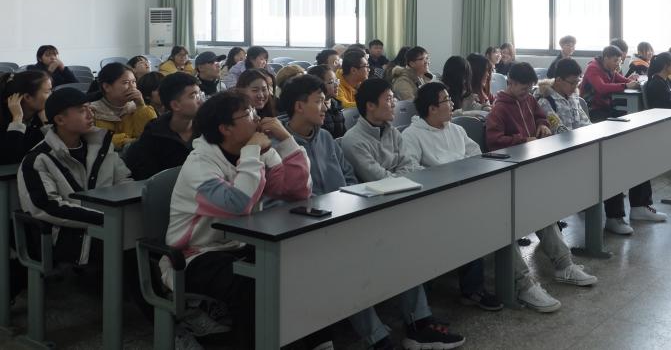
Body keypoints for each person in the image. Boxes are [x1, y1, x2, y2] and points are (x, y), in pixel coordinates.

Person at [278, 76, 465, 349]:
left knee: (400, 245)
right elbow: (279, 199)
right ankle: (378, 338)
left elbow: (349, 179)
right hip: (305, 229)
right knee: (348, 266)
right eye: (319, 101)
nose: (326, 106)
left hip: (343, 217)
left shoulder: (326, 138)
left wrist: (343, 203)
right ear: (298, 106)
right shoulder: (278, 146)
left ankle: (418, 324)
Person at [165, 90, 310, 350]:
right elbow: (238, 205)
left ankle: (310, 341)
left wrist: (287, 140)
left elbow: (296, 191)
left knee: (296, 266)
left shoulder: (256, 152)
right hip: (195, 255)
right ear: (225, 128)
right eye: (248, 114)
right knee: (255, 284)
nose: (257, 118)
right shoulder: (199, 165)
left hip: (240, 245)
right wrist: (252, 152)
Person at [484, 63, 598, 309]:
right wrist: (523, 139)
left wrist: (543, 124)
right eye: (523, 89)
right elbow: (494, 141)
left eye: (529, 89)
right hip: (509, 173)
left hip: (531, 169)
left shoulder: (528, 100)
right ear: (510, 83)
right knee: (516, 220)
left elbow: (539, 116)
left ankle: (564, 265)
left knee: (544, 213)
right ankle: (524, 284)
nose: (527, 94)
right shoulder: (499, 108)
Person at [402, 83, 506, 311]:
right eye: (446, 100)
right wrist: (448, 175)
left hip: (464, 192)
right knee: (469, 221)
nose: (451, 104)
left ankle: (475, 287)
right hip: (434, 199)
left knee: (494, 213)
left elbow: (475, 154)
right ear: (432, 108)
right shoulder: (412, 135)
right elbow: (411, 170)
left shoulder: (455, 129)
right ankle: (470, 289)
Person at [19, 87, 133, 266]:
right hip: (68, 235)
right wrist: (106, 218)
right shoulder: (39, 159)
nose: (90, 114)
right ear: (60, 120)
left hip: (108, 225)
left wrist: (125, 215)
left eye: (89, 108)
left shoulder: (101, 146)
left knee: (142, 242)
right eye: (81, 110)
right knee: (128, 255)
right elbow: (47, 206)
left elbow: (124, 181)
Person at [124, 72, 202, 180]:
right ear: (175, 105)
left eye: (200, 94)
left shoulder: (208, 128)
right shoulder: (154, 135)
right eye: (193, 96)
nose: (200, 101)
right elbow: (148, 179)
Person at [340, 78, 417, 181]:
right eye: (388, 99)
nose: (394, 104)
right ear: (370, 105)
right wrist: (402, 179)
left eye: (393, 98)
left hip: (406, 186)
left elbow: (409, 165)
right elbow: (378, 178)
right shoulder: (353, 141)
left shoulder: (393, 132)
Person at [89, 62, 156, 149]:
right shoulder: (92, 111)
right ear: (107, 87)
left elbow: (152, 133)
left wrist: (141, 106)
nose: (132, 87)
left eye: (134, 82)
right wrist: (129, 142)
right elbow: (97, 140)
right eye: (126, 83)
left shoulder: (136, 107)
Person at [1, 70, 52, 164]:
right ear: (28, 97)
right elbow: (8, 158)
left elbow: (59, 150)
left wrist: (46, 122)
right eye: (47, 92)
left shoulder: (45, 115)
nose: (52, 95)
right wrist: (17, 119)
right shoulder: (4, 118)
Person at [581, 45, 638, 122]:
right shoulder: (593, 68)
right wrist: (626, 86)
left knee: (628, 115)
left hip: (605, 105)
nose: (617, 64)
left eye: (619, 61)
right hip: (592, 108)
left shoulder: (610, 68)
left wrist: (636, 83)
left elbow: (623, 80)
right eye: (615, 61)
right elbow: (602, 88)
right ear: (606, 59)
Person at [536, 58, 591, 133]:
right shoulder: (546, 101)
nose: (575, 87)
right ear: (559, 80)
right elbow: (558, 130)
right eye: (572, 83)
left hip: (579, 138)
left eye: (577, 82)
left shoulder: (573, 97)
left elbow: (586, 123)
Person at [307, 65, 346, 138]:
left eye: (336, 80)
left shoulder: (337, 104)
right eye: (331, 82)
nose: (336, 85)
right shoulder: (314, 109)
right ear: (318, 85)